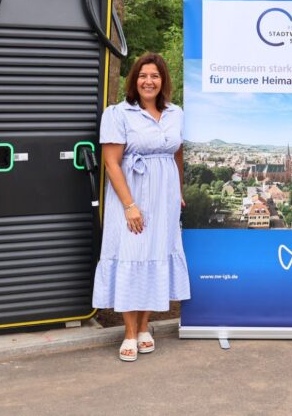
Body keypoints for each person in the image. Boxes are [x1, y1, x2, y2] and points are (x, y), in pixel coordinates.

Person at [93, 52, 190, 361]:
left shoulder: (176, 113)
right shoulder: (118, 113)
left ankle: (146, 325)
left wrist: (179, 191)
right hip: (131, 194)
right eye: (143, 76)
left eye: (155, 76)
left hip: (166, 197)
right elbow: (111, 163)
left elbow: (177, 155)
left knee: (156, 255)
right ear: (134, 80)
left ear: (163, 82)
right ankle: (129, 333)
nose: (149, 81)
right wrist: (129, 205)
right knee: (132, 255)